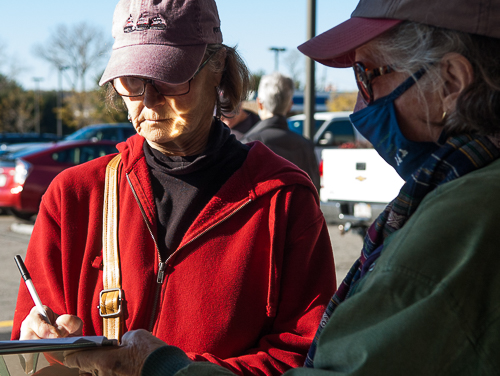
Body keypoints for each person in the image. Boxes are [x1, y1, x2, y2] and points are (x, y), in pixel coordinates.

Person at [64, 0, 500, 374]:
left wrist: (162, 367)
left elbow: (321, 359)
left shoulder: (463, 218)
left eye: (369, 74)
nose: (360, 103)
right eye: (131, 82)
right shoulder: (76, 193)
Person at [12, 0, 337, 375]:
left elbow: (303, 359)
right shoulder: (74, 195)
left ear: (217, 68)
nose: (147, 101)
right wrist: (35, 339)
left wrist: (170, 369)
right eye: (131, 80)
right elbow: (32, 347)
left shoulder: (283, 198)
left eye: (168, 76)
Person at [242, 73, 320, 192]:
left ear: (259, 103)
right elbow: (314, 193)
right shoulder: (306, 145)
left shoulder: (248, 144)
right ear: (290, 106)